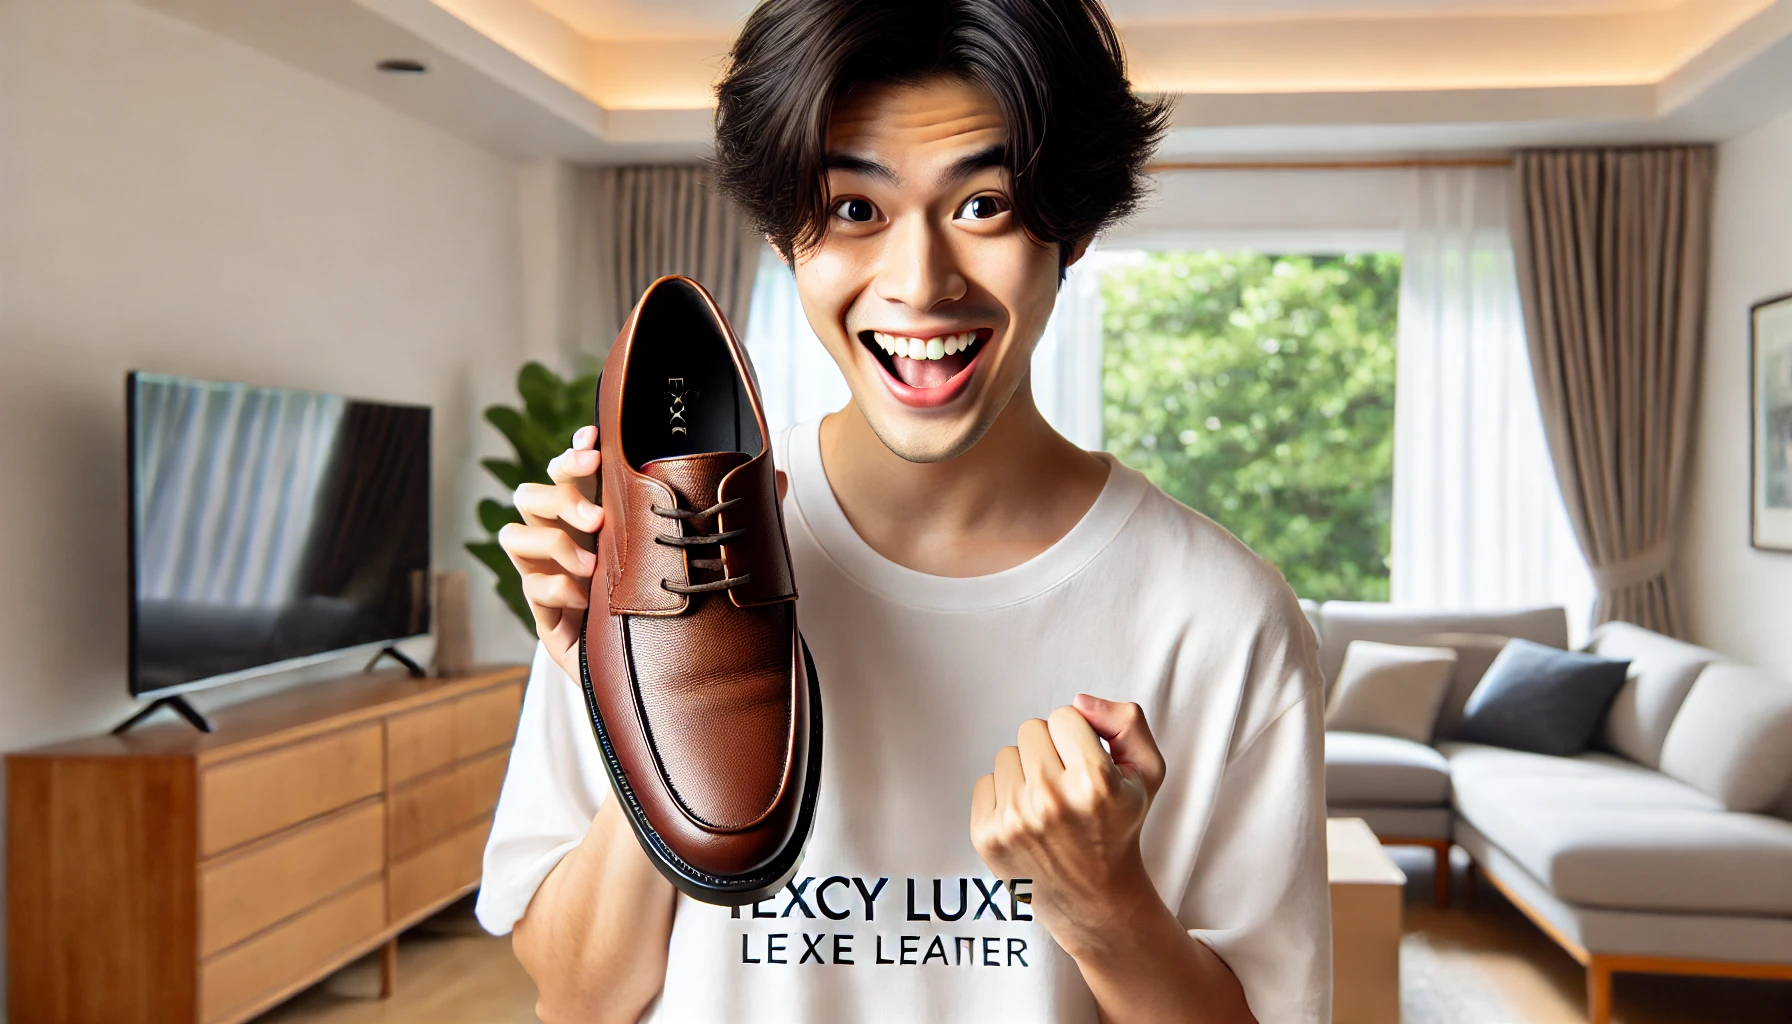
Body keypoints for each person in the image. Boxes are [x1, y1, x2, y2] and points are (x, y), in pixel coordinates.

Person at [476, 1, 1330, 1021]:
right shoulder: (666, 551)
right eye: (851, 208)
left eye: (984, 205)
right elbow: (575, 999)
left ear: (1076, 225)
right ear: (783, 234)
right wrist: (644, 719)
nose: (920, 283)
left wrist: (1105, 904)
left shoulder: (1222, 619)